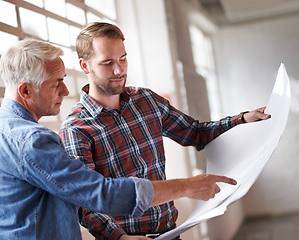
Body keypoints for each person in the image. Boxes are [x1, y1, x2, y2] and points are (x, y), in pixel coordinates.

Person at [0, 39, 236, 240]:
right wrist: (188, 186)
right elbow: (100, 194)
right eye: (57, 83)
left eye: (122, 59)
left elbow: (195, 131)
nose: (66, 91)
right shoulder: (32, 140)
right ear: (26, 90)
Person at [58, 22, 271, 240]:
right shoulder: (76, 128)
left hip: (170, 233)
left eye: (123, 58)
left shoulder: (146, 100)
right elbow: (84, 201)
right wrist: (119, 238)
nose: (119, 70)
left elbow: (195, 133)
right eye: (107, 63)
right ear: (85, 66)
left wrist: (242, 119)